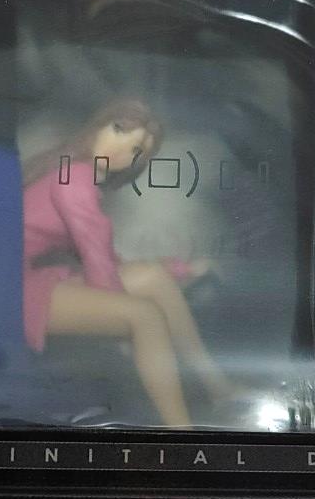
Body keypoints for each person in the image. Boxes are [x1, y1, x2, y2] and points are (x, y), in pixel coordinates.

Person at [20, 99, 220, 428]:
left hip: (22, 279)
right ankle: (181, 431)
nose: (123, 149)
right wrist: (120, 314)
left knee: (153, 278)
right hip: (8, 289)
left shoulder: (75, 173)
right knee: (144, 315)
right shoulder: (75, 176)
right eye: (119, 130)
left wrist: (174, 270)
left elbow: (101, 253)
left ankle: (217, 387)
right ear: (97, 126)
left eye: (137, 149)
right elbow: (96, 254)